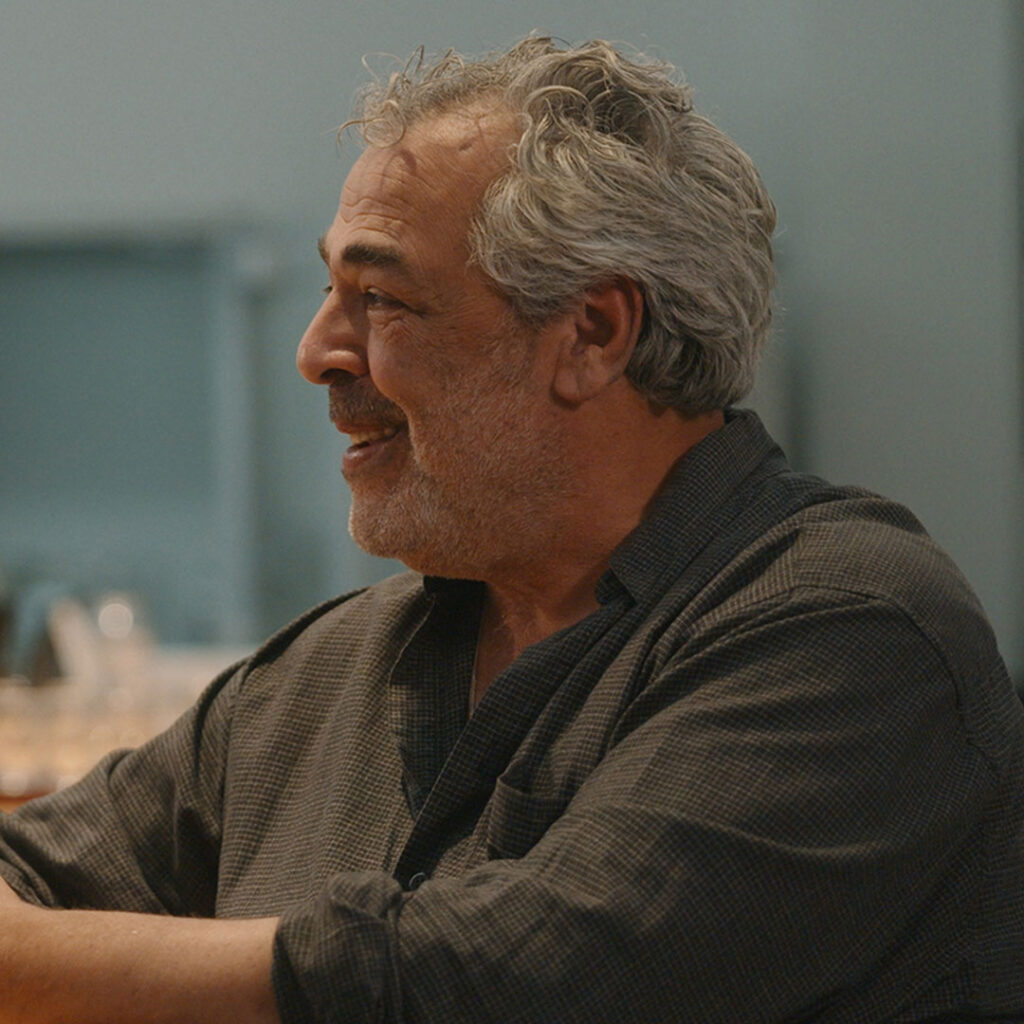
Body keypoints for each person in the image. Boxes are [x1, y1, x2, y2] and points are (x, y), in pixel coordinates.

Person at [1, 35, 1022, 1024]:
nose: (317, 351)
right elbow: (35, 869)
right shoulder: (320, 677)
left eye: (381, 298)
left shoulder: (853, 632)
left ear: (591, 334)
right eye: (328, 290)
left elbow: (518, 983)